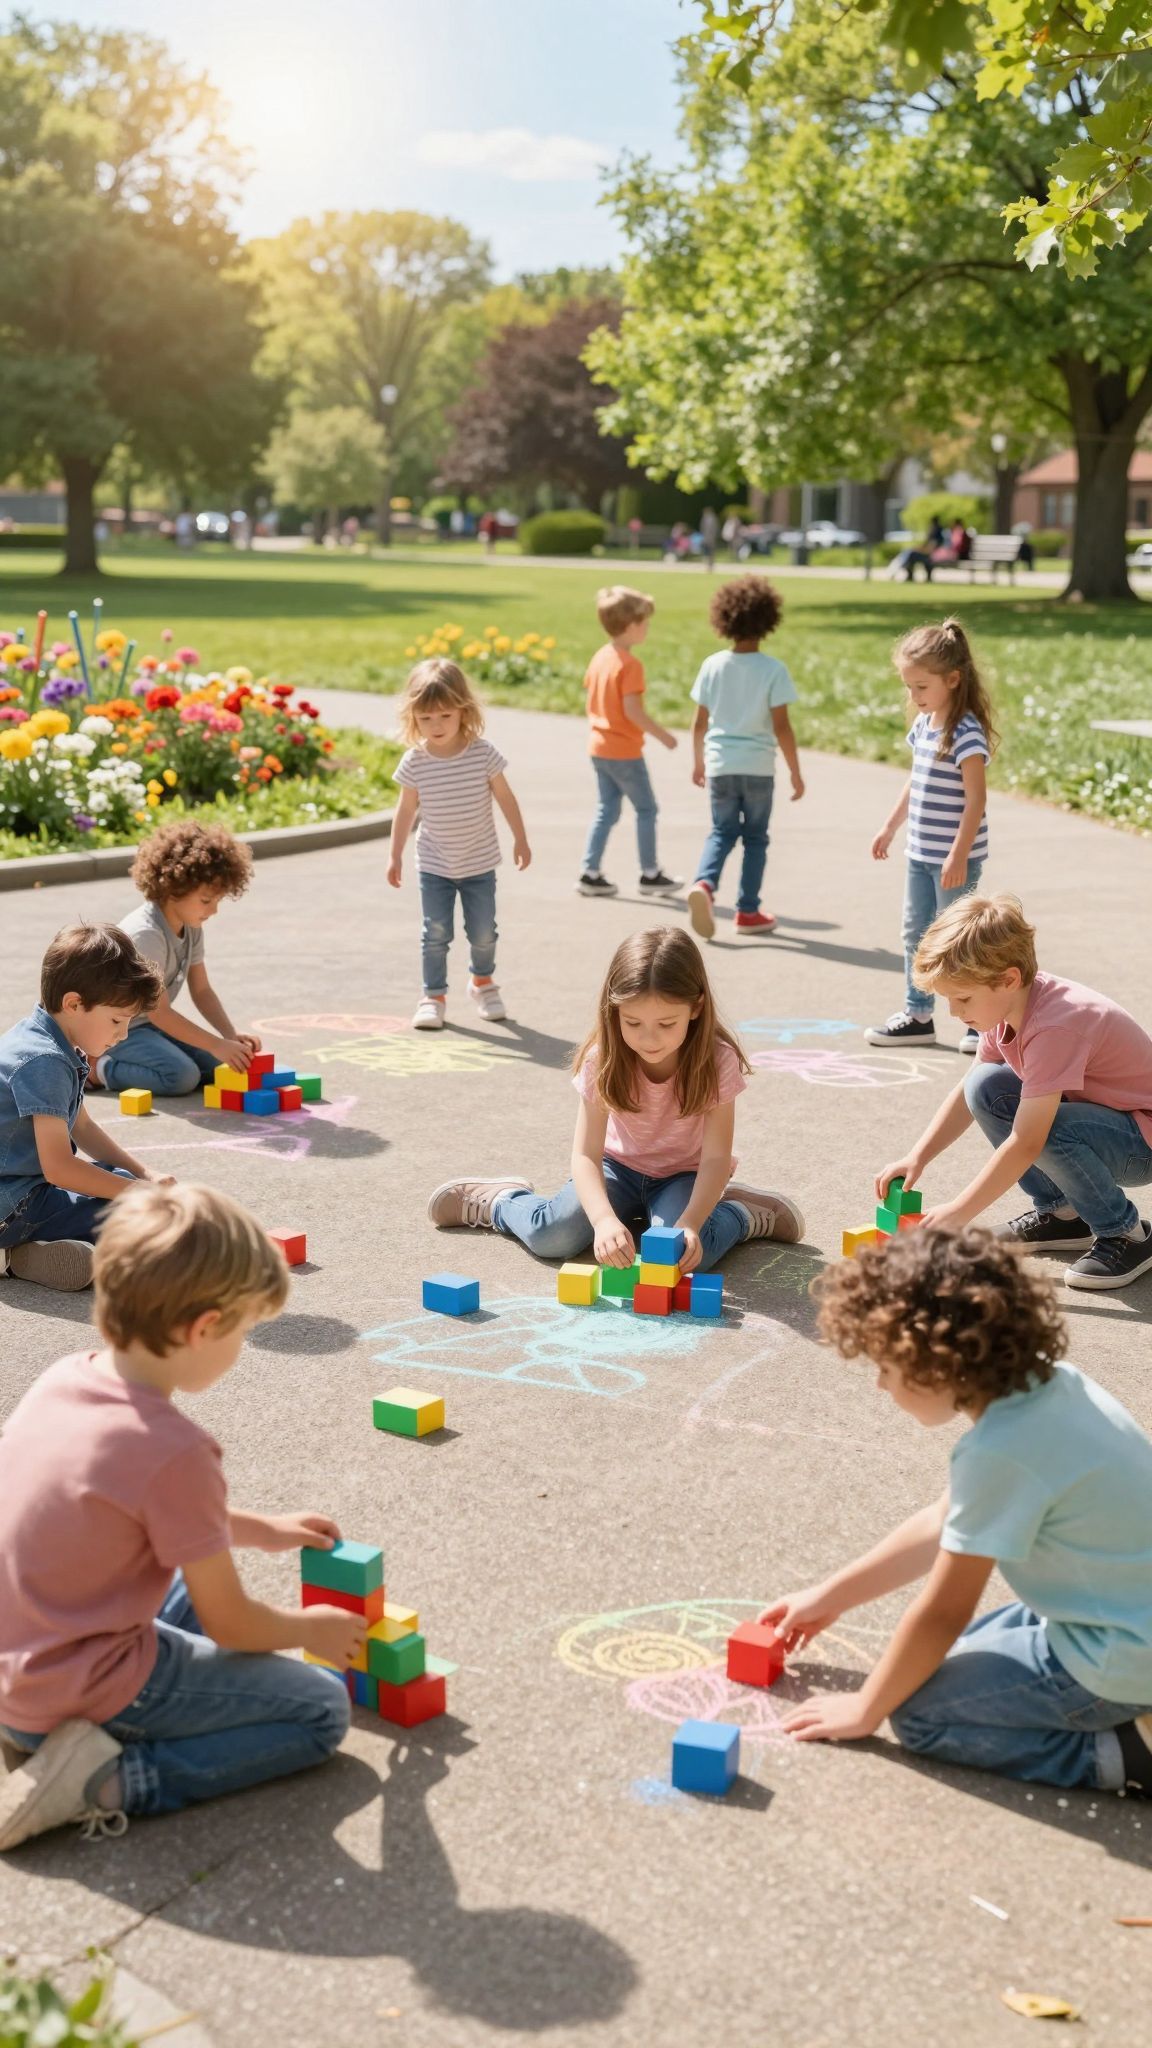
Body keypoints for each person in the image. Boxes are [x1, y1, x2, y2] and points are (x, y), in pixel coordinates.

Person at [0, 1182, 357, 1851]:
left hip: (18, 1658)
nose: (241, 1349)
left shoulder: (66, 1377)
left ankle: (48, 1730)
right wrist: (310, 1628)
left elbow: (138, 1517)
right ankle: (104, 1779)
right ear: (204, 1328)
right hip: (76, 1687)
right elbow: (233, 1622)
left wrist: (262, 1529)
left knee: (175, 1585)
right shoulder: (177, 1451)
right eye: (246, 1332)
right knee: (320, 1709)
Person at [764, 1226, 1152, 1796]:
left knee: (920, 1713)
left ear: (935, 1361)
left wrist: (867, 1709)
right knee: (941, 1660)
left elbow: (943, 1612)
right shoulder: (1049, 1385)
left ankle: (1129, 1754)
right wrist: (827, 1598)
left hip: (1124, 1656)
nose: (879, 1385)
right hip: (1123, 1614)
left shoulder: (1002, 1450)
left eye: (886, 1368)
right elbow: (939, 1524)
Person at [426, 925, 805, 1269]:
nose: (649, 1039)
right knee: (553, 1237)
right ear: (614, 1011)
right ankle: (501, 1204)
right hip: (615, 1169)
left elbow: (717, 1157)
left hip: (683, 1174)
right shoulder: (602, 1059)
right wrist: (604, 1220)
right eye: (633, 1023)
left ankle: (740, 1214)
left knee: (682, 1255)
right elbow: (585, 1155)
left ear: (697, 1007)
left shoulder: (716, 1060)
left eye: (666, 1024)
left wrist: (690, 1223)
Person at [877, 893, 1152, 1291]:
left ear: (1008, 979)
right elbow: (969, 1092)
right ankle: (1063, 1215)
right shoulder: (1006, 1004)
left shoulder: (1056, 1024)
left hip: (1141, 1144)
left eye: (963, 998)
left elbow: (1027, 1142)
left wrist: (958, 1212)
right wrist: (917, 1156)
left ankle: (1127, 1234)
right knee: (985, 1086)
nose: (954, 1011)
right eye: (948, 999)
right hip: (1103, 1121)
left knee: (1047, 1127)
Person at [0, 924, 167, 1293]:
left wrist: (142, 1173)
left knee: (121, 1183)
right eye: (116, 1021)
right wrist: (136, 1194)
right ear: (74, 1004)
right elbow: (60, 1168)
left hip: (20, 1194)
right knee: (142, 1217)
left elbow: (84, 1127)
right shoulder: (44, 1061)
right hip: (12, 1205)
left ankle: (23, 1255)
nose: (122, 1035)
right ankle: (11, 1255)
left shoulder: (46, 1036)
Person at [866, 619, 994, 1052]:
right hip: (920, 853)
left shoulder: (966, 731)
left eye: (921, 687)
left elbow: (976, 799)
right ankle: (918, 1014)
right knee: (915, 933)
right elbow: (915, 782)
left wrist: (958, 854)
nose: (913, 696)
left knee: (957, 939)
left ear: (952, 680)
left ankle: (980, 1022)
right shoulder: (925, 726)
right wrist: (889, 826)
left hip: (954, 858)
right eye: (909, 687)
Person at [388, 657, 530, 1031]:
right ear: (413, 717)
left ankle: (482, 982)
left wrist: (521, 838)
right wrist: (395, 855)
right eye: (426, 718)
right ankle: (432, 996)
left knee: (483, 932)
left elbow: (505, 797)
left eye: (444, 716)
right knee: (435, 933)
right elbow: (405, 810)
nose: (435, 726)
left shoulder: (482, 753)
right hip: (435, 864)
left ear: (463, 712)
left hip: (478, 863)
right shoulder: (416, 761)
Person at [97, 821, 259, 1098]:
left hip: (145, 1025)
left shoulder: (191, 926)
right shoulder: (146, 935)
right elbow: (161, 1013)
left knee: (222, 1065)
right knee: (181, 1076)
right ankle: (98, 1069)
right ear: (174, 889)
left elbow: (202, 990)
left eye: (218, 900)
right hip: (113, 1030)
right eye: (207, 900)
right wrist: (217, 1044)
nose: (215, 910)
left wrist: (229, 1036)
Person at [686, 575, 804, 941]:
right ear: (769, 621)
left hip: (721, 765)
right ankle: (748, 911)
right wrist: (796, 773)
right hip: (757, 769)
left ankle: (704, 884)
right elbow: (782, 728)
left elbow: (698, 723)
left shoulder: (712, 665)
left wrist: (699, 762)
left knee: (721, 832)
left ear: (724, 620)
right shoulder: (773, 670)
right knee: (755, 839)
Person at [576, 586, 680, 901]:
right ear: (631, 626)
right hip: (623, 751)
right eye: (645, 623)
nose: (647, 628)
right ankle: (650, 874)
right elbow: (632, 710)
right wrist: (663, 735)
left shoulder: (601, 657)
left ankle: (589, 872)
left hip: (598, 746)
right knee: (647, 809)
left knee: (607, 809)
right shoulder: (630, 665)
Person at [700, 506, 720, 571]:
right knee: (708, 551)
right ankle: (709, 564)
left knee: (710, 552)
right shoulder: (706, 518)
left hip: (710, 538)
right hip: (707, 538)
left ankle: (710, 564)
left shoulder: (711, 519)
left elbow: (715, 529)